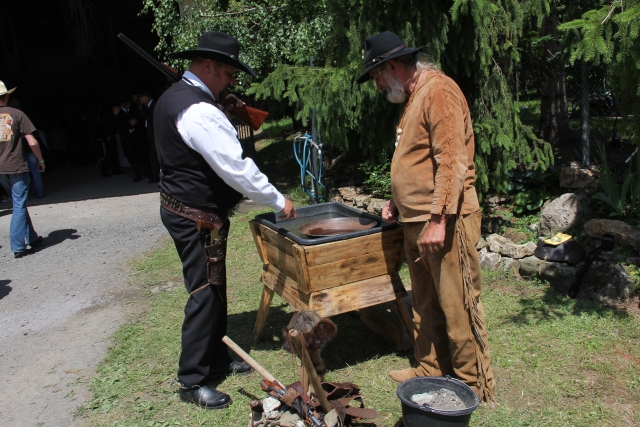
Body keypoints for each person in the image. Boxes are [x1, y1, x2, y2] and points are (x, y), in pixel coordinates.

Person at [154, 31, 297, 410]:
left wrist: (225, 107)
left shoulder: (185, 99)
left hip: (191, 211)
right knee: (204, 291)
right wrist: (278, 199)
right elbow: (236, 168)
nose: (232, 81)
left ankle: (216, 358)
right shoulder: (200, 111)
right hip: (195, 216)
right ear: (208, 66)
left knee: (214, 286)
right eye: (229, 74)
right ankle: (192, 379)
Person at [358, 31, 495, 402]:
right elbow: (417, 160)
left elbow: (451, 160)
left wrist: (438, 220)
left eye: (376, 75)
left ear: (393, 66)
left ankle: (472, 383)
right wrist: (396, 200)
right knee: (424, 300)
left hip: (444, 222)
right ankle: (430, 366)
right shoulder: (415, 94)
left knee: (457, 302)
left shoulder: (439, 91)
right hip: (415, 220)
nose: (376, 84)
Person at [0, 80, 45, 258]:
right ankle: (18, 245)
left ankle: (32, 237)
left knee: (18, 202)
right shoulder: (17, 113)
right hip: (16, 165)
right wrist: (40, 159)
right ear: (7, 96)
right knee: (19, 204)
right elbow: (32, 141)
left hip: (1, 169)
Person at [138, 90, 159, 183]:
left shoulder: (153, 105)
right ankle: (155, 174)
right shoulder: (147, 107)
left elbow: (151, 118)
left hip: (154, 134)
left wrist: (141, 111)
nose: (141, 102)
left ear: (146, 98)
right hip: (150, 134)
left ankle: (156, 176)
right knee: (152, 155)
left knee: (154, 156)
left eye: (142, 100)